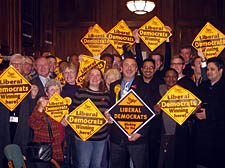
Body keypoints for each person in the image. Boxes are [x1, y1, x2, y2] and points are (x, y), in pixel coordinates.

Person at [105, 57, 155, 168]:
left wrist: (140, 133)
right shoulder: (114, 86)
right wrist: (108, 115)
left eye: (132, 65)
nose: (129, 68)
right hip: (116, 137)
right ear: (121, 68)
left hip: (137, 137)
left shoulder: (146, 88)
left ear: (137, 69)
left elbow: (150, 114)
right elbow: (111, 107)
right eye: (126, 65)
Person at [149, 68, 192, 168]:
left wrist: (194, 109)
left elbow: (190, 110)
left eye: (174, 76)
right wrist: (155, 109)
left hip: (177, 132)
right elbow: (150, 109)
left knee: (174, 161)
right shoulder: (157, 90)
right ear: (164, 78)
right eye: (168, 76)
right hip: (161, 133)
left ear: (177, 78)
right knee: (159, 161)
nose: (171, 79)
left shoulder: (183, 92)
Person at [72, 68, 110, 168]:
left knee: (96, 165)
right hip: (83, 137)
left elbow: (109, 115)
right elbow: (74, 114)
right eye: (92, 75)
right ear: (88, 78)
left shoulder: (106, 95)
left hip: (100, 137)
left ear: (102, 79)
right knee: (83, 164)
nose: (95, 77)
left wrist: (109, 117)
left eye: (98, 75)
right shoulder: (80, 93)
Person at [193, 57, 225, 168]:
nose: (209, 72)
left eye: (212, 69)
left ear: (220, 71)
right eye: (207, 69)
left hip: (219, 138)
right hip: (202, 136)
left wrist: (209, 114)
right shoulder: (203, 86)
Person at [29, 79, 66, 168]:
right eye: (51, 89)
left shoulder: (63, 105)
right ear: (46, 93)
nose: (55, 92)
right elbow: (33, 124)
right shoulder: (42, 104)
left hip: (59, 147)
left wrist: (65, 123)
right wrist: (41, 108)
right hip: (44, 148)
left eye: (57, 89)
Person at [61, 63, 79, 167]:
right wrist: (62, 118)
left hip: (77, 128)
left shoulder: (81, 89)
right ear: (63, 75)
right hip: (65, 128)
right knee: (66, 156)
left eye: (71, 72)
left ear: (76, 74)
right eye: (66, 72)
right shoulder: (60, 90)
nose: (69, 75)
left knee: (77, 157)